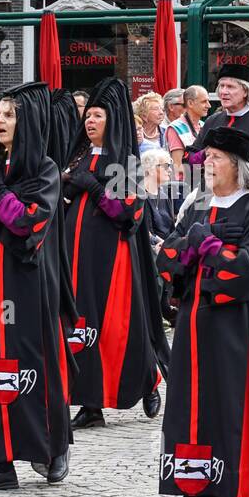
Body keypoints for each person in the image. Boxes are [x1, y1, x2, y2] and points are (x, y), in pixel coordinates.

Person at [155, 126, 249, 497]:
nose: (206, 164)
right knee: (188, 405)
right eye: (206, 157)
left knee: (226, 407)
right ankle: (192, 487)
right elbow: (169, 256)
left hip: (234, 328)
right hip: (194, 324)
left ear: (238, 166)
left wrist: (209, 247)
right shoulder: (197, 206)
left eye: (215, 158)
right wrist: (195, 251)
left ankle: (228, 492)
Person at [0, 82, 73, 492]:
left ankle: (51, 446)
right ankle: (0, 460)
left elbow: (28, 222)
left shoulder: (44, 169)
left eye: (9, 115)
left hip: (28, 281)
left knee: (34, 361)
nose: (0, 121)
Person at [61, 78, 168, 428]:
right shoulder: (76, 156)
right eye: (88, 115)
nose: (90, 121)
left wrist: (91, 185)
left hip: (112, 256)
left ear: (113, 121)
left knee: (117, 326)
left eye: (98, 116)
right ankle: (90, 403)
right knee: (81, 325)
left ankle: (147, 376)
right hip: (75, 254)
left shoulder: (125, 163)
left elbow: (128, 213)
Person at [190, 72, 249, 150]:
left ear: (246, 92)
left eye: (230, 87)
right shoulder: (212, 120)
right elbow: (193, 153)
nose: (223, 92)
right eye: (222, 86)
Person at [166, 84, 210, 175]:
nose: (208, 105)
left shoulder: (204, 125)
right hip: (185, 185)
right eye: (204, 102)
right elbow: (177, 166)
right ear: (190, 103)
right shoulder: (175, 128)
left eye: (208, 101)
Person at [134, 92, 166, 156]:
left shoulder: (166, 132)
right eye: (156, 109)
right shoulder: (135, 132)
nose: (161, 113)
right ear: (143, 114)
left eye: (162, 109)